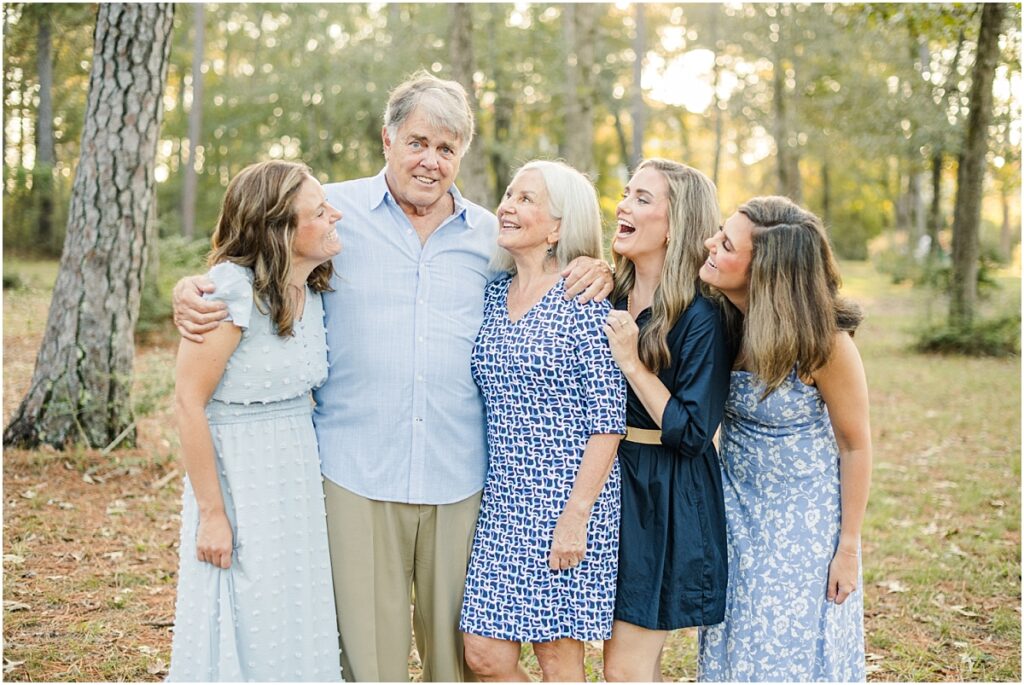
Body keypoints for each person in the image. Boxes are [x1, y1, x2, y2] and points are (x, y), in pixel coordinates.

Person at [171, 71, 613, 682]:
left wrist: (597, 266)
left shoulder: (492, 237)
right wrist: (188, 287)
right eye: (418, 142)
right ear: (388, 139)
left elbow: (549, 273)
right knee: (368, 661)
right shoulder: (333, 216)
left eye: (447, 148)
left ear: (461, 155)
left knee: (458, 661)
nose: (430, 161)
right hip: (354, 472)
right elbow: (253, 257)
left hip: (461, 478)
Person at [167, 161, 343, 681]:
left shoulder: (311, 289)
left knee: (291, 613)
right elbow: (187, 401)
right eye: (319, 210)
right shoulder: (231, 290)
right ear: (279, 228)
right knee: (243, 613)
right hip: (239, 478)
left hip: (294, 476)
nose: (336, 214)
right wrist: (212, 513)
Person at [459, 160, 626, 681]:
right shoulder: (490, 295)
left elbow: (608, 421)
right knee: (483, 654)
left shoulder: (584, 301)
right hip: (503, 499)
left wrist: (576, 517)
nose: (507, 206)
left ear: (558, 226)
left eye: (527, 199)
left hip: (566, 500)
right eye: (508, 194)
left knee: (557, 657)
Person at [696, 196, 872, 681]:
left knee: (791, 651)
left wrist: (848, 547)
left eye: (726, 243)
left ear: (765, 273)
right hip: (734, 515)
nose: (710, 244)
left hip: (803, 526)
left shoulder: (824, 343)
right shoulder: (719, 315)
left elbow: (855, 445)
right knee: (736, 647)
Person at [600, 159, 732, 682]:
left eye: (642, 198)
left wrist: (632, 362)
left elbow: (694, 432)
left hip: (664, 492)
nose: (623, 206)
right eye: (626, 193)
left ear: (676, 225)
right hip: (610, 479)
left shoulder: (702, 316)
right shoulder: (609, 293)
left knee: (624, 669)